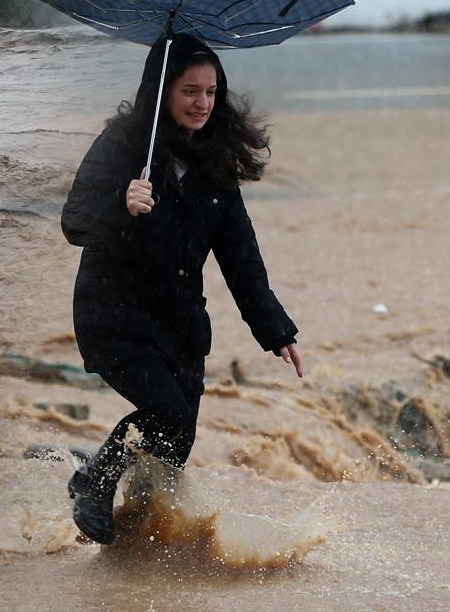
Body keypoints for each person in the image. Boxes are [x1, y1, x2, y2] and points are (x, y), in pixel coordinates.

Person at [60, 32, 304, 545]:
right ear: (164, 91)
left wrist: (275, 328)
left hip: (180, 324)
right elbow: (75, 222)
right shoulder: (124, 146)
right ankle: (92, 482)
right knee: (166, 412)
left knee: (174, 443)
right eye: (190, 90)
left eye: (212, 92)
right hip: (114, 315)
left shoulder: (216, 166)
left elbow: (241, 258)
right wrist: (122, 206)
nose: (203, 104)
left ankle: (135, 538)